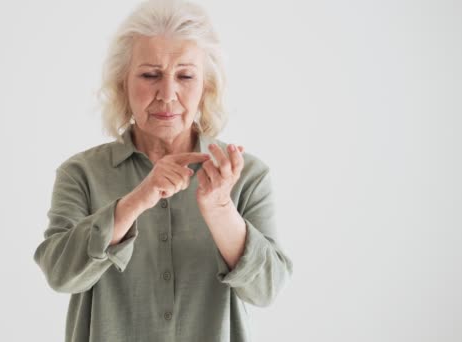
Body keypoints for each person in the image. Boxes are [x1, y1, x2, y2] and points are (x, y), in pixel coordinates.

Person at [33, 0, 294, 341]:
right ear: (122, 83)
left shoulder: (246, 175)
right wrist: (137, 200)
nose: (168, 95)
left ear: (206, 88)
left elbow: (267, 290)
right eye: (150, 75)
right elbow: (60, 274)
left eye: (185, 76)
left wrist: (220, 210)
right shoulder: (80, 173)